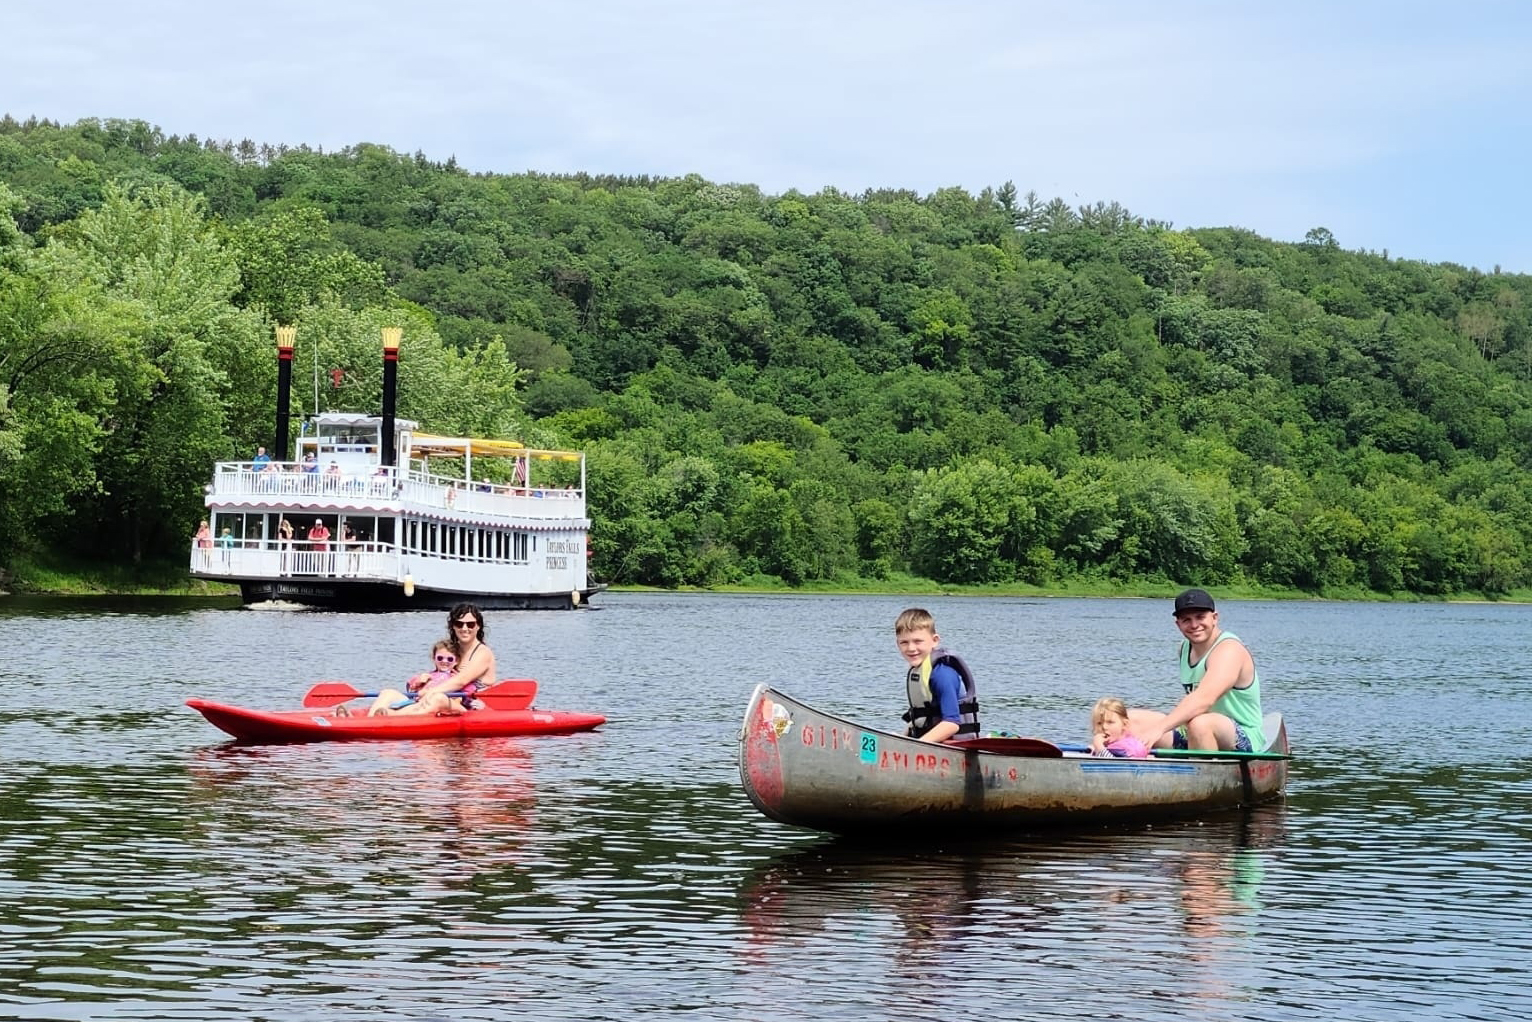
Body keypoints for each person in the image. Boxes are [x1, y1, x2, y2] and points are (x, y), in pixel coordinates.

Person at [1126, 589, 1266, 753]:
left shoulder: (1229, 650)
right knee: (1126, 720)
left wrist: (1159, 729)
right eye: (1186, 620)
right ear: (1178, 624)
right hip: (1194, 731)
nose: (1194, 625)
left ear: (1214, 618)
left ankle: (1204, 776)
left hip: (1242, 737)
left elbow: (1204, 699)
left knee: (1201, 724)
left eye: (1200, 617)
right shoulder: (1184, 649)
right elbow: (1192, 698)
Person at [894, 607, 980, 744]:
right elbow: (920, 719)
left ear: (935, 640)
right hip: (927, 744)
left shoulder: (942, 674)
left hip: (953, 748)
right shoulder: (919, 670)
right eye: (904, 642)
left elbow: (951, 724)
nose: (911, 648)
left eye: (918, 641)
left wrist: (914, 747)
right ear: (897, 644)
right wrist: (900, 740)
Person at [365, 640, 459, 717]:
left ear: (456, 661)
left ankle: (390, 715)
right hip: (414, 703)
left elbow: (460, 699)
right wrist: (418, 682)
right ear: (434, 659)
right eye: (440, 658)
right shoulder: (427, 675)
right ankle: (369, 720)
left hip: (431, 704)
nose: (444, 661)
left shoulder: (457, 678)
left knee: (437, 698)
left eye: (450, 659)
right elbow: (410, 690)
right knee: (388, 692)